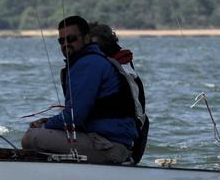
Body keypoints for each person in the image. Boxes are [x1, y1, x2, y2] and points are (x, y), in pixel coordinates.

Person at [21, 16, 138, 164]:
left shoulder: (88, 63)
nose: (66, 44)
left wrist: (45, 125)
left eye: (71, 39)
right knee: (43, 131)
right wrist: (49, 122)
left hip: (108, 146)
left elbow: (74, 117)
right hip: (109, 141)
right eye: (61, 41)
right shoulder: (93, 60)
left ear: (87, 38)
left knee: (31, 137)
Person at [89, 22, 149, 164]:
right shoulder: (119, 64)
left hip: (125, 140)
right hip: (125, 135)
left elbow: (137, 111)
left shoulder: (119, 68)